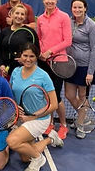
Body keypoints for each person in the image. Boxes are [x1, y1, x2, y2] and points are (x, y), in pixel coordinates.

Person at [7, 43, 63, 171]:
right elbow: (11, 94)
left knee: (12, 141)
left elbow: (54, 104)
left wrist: (33, 117)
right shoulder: (15, 72)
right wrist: (15, 106)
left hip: (39, 119)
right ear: (20, 56)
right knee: (25, 158)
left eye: (32, 56)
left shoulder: (43, 76)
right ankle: (50, 139)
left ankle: (39, 159)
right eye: (25, 55)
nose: (28, 59)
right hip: (21, 118)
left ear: (37, 56)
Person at [36, 0, 72, 139]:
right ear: (43, 0)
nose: (50, 1)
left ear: (57, 0)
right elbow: (38, 38)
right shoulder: (40, 19)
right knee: (46, 96)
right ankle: (50, 123)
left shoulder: (64, 17)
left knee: (55, 96)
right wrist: (40, 53)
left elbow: (67, 40)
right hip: (43, 62)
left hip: (59, 62)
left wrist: (49, 52)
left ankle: (63, 125)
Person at [65, 0, 95, 139]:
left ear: (85, 8)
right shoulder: (69, 21)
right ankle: (82, 116)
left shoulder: (91, 25)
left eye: (80, 7)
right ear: (71, 9)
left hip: (85, 66)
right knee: (69, 95)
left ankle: (80, 125)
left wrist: (90, 72)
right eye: (75, 7)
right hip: (70, 65)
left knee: (82, 96)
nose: (77, 10)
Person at [0, 4, 40, 81]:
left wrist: (25, 59)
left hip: (24, 70)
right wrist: (1, 66)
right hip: (6, 71)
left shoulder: (30, 32)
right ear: (11, 14)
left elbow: (37, 52)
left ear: (25, 17)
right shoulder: (4, 32)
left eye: (22, 14)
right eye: (17, 13)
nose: (19, 16)